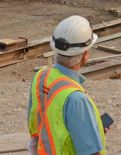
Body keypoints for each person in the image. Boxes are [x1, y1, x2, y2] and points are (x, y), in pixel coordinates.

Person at [27, 15, 107, 155]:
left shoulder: (41, 77)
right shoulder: (76, 99)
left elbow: (46, 121)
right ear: (85, 55)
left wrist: (89, 123)